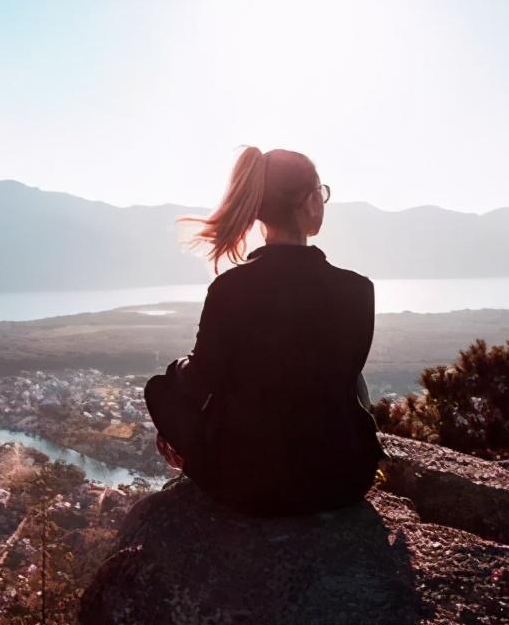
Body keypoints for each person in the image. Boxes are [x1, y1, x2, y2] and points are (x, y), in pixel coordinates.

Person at [144, 146, 387, 517]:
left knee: (159, 389)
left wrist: (178, 369)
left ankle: (191, 458)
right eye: (320, 193)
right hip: (344, 478)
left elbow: (198, 382)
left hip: (248, 483)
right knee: (349, 378)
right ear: (307, 202)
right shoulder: (357, 290)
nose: (322, 202)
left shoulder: (231, 289)